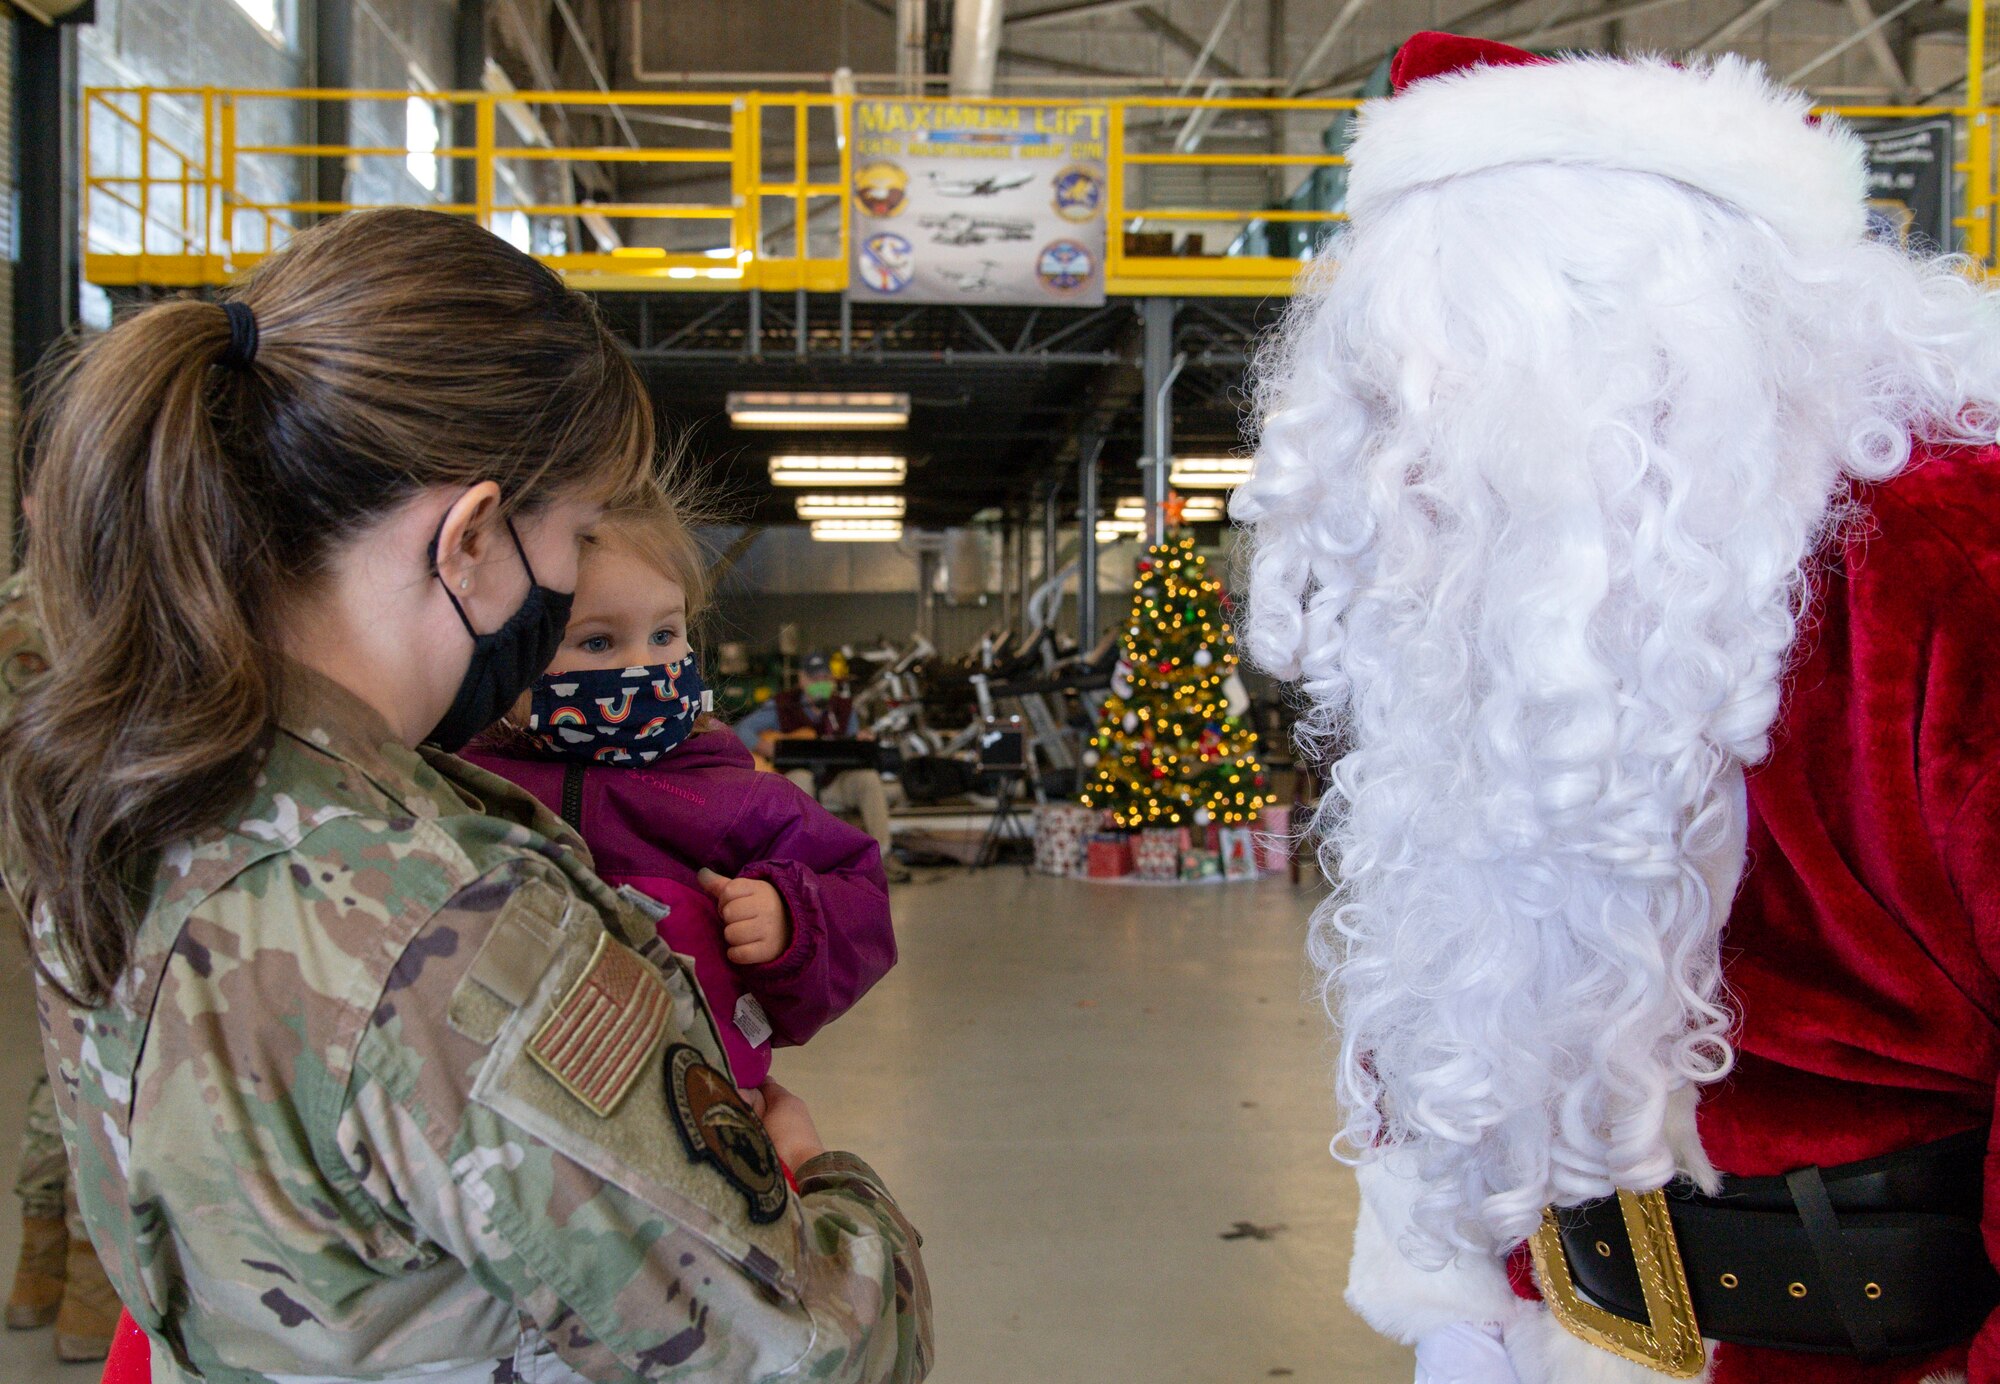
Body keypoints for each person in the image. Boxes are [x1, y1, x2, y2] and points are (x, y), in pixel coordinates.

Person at [0, 207, 931, 1383]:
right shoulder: (446, 925)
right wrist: (825, 1178)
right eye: (577, 535)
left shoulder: (118, 791)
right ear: (473, 538)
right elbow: (818, 1357)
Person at [1235, 33, 2000, 1384]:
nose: (1415, 423)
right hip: (1543, 1332)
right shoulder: (1493, 587)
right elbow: (1454, 981)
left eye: (1464, 349)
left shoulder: (1946, 555)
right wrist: (1459, 1298)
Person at [462, 486, 897, 1092]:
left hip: (701, 1110)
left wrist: (790, 919)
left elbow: (861, 902)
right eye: (597, 642)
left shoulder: (729, 796)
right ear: (512, 650)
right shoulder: (468, 780)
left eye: (665, 635)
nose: (645, 666)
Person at [0, 568, 119, 1363]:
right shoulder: (78, 590)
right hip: (79, 843)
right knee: (89, 1051)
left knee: (58, 1040)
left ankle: (38, 1267)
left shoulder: (18, 602)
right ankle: (86, 1279)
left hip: (29, 849)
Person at [735, 654, 911, 882]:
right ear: (802, 679)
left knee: (867, 778)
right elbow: (741, 728)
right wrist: (765, 747)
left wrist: (860, 742)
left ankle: (883, 855)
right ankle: (802, 860)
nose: (820, 682)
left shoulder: (844, 709)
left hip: (834, 782)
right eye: (814, 677)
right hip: (800, 783)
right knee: (800, 779)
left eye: (825, 677)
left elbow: (851, 747)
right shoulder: (783, 704)